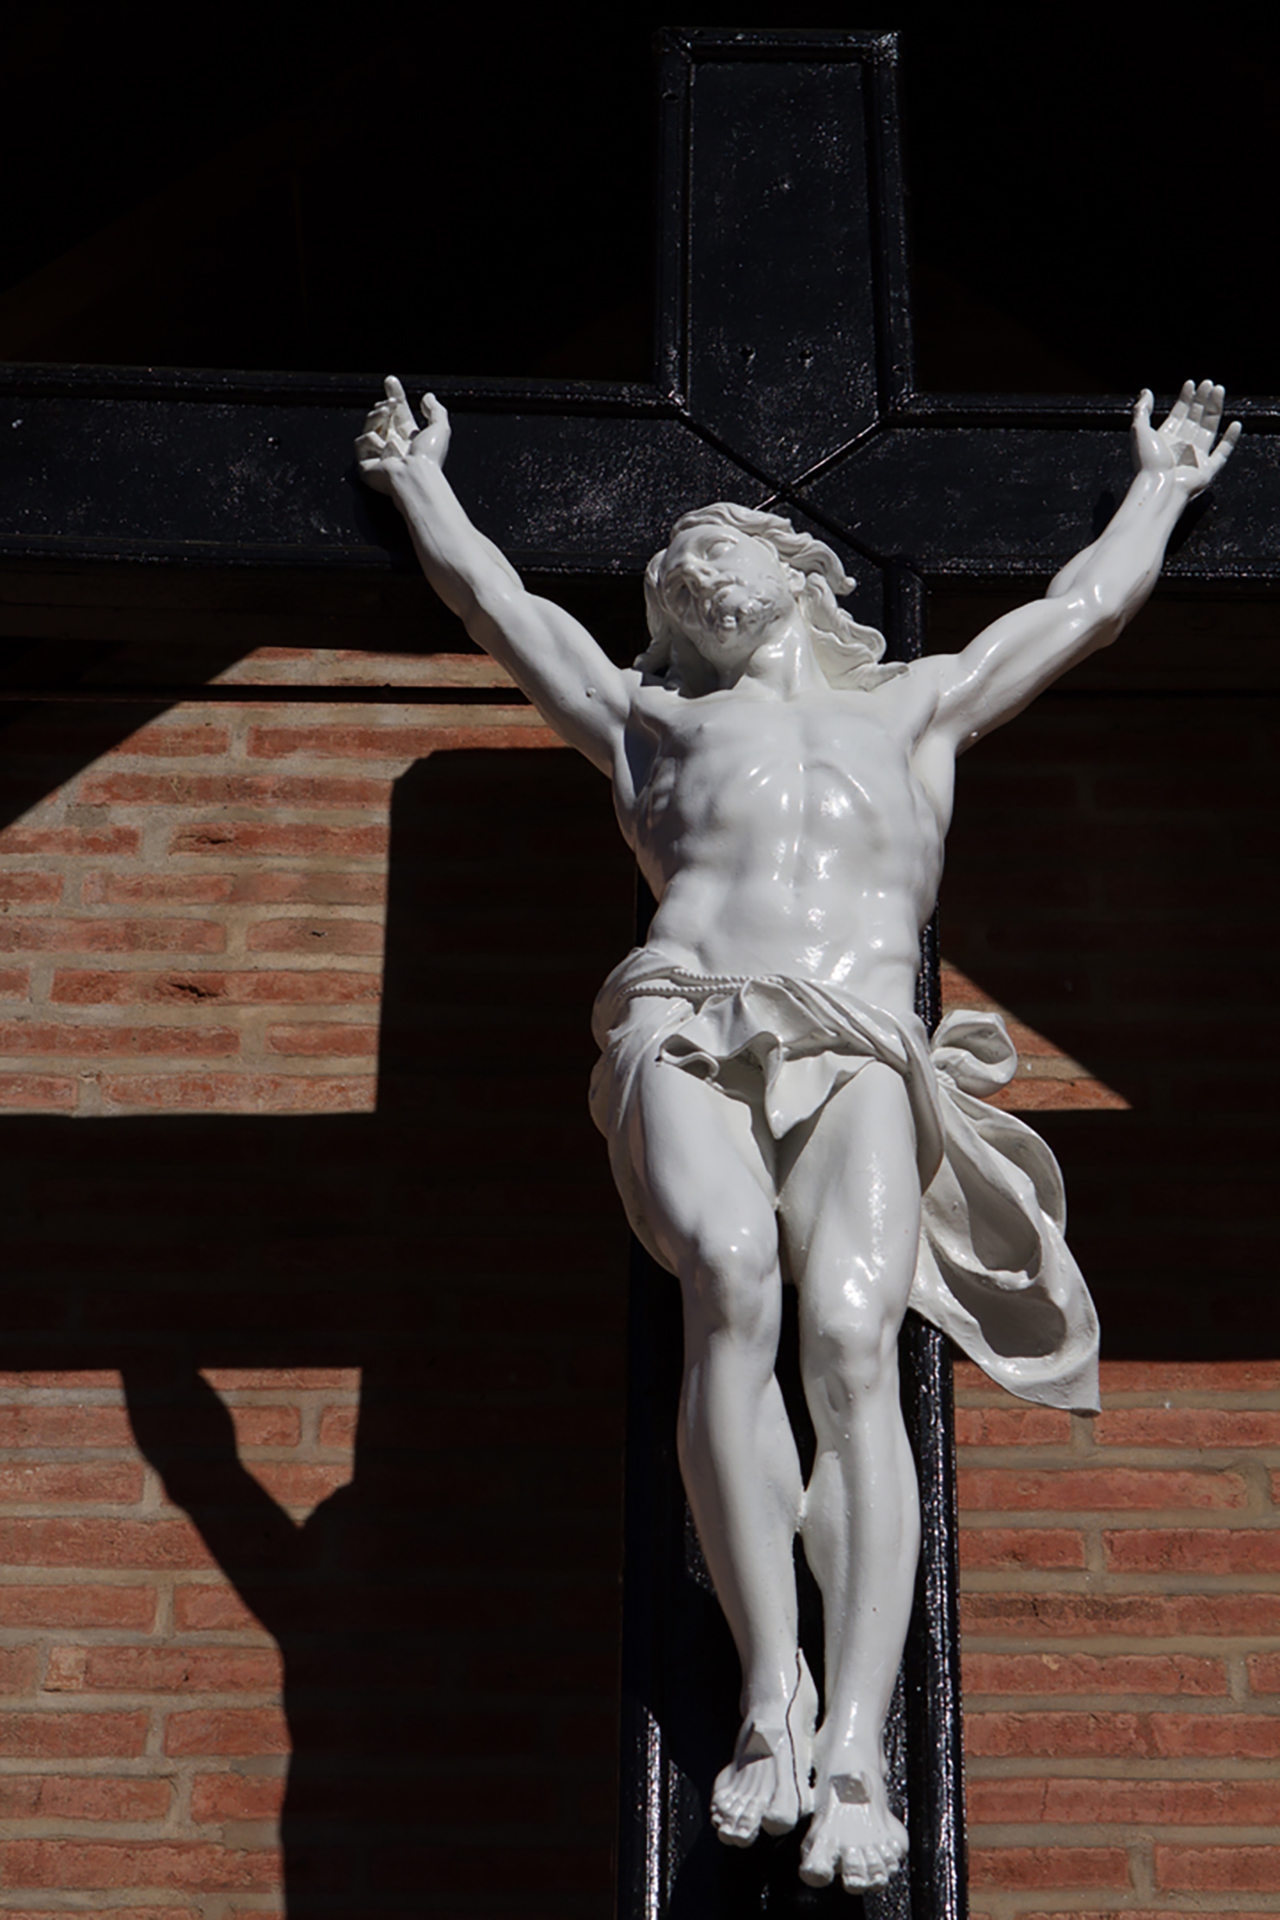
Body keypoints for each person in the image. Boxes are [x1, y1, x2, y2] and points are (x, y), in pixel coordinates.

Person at [357, 377, 1237, 1893]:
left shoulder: (914, 705)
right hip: (688, 1017)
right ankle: (771, 1689)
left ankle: (854, 1742)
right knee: (726, 1276)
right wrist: (422, 483)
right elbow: (504, 608)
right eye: (670, 572)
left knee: (846, 1339)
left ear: (795, 571)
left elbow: (1081, 611)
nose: (690, 575)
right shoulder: (647, 723)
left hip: (857, 1037)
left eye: (716, 550)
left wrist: (1159, 482)